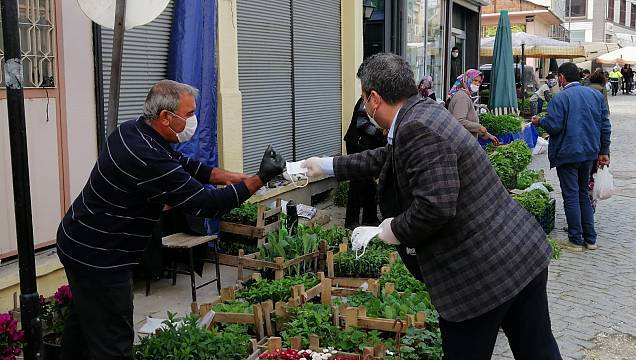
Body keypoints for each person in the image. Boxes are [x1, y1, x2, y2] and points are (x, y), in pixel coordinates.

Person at [303, 53, 561, 359]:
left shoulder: (416, 127)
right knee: (539, 350)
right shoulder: (422, 112)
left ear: (374, 98)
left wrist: (391, 230)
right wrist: (328, 166)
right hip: (520, 253)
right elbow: (386, 158)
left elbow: (435, 207)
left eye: (362, 96)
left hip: (481, 275)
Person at [56, 80, 286, 359]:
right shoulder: (147, 157)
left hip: (77, 239)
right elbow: (205, 204)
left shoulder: (133, 131)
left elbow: (185, 165)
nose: (194, 121)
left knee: (83, 325)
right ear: (166, 117)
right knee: (113, 342)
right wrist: (260, 180)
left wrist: (232, 178)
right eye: (189, 114)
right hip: (101, 257)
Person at [531, 62, 611, 252]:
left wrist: (540, 121)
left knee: (571, 196)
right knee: (583, 193)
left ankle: (575, 240)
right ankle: (590, 239)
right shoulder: (595, 95)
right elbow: (605, 125)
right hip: (589, 153)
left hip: (568, 153)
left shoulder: (560, 98)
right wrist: (604, 151)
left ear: (561, 78)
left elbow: (555, 126)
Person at [342, 97, 386, 229]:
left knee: (370, 182)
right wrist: (379, 133)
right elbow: (361, 123)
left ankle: (370, 218)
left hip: (369, 144)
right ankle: (351, 221)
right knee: (357, 182)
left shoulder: (384, 99)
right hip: (357, 143)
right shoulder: (366, 100)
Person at [447, 69, 499, 145]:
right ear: (467, 79)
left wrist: (488, 135)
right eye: (475, 80)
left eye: (479, 82)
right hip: (461, 144)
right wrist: (479, 127)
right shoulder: (462, 97)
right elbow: (459, 121)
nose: (477, 84)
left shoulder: (465, 95)